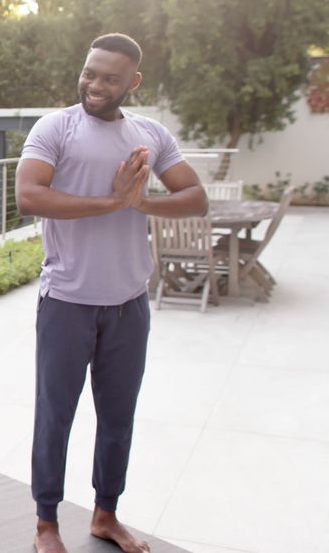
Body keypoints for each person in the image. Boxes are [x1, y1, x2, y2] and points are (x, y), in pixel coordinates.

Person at [14, 33, 208, 553]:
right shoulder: (56, 126)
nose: (95, 85)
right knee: (55, 414)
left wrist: (140, 204)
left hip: (128, 303)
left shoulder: (150, 134)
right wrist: (111, 202)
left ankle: (106, 515)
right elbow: (29, 196)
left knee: (118, 415)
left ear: (133, 83)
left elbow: (195, 197)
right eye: (90, 72)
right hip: (67, 302)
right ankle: (46, 524)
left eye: (110, 78)